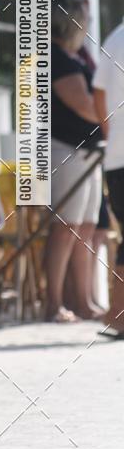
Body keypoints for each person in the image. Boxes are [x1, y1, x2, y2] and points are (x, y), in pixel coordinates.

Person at [45, 0, 103, 322]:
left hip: (90, 151)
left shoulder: (79, 53)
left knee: (85, 227)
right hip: (65, 147)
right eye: (78, 1)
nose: (86, 9)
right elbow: (86, 105)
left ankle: (82, 300)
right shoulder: (54, 53)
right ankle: (54, 303)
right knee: (65, 226)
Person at [93, 18, 124, 339]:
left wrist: (110, 133)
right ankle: (118, 315)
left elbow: (98, 92)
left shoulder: (115, 37)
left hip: (117, 156)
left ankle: (118, 314)